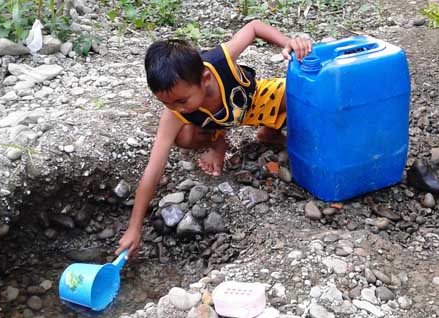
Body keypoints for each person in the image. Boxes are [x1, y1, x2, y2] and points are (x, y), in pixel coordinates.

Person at [116, 20, 312, 259]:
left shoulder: (220, 61)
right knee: (183, 135)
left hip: (252, 101)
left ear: (205, 78)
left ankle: (268, 133)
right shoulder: (175, 113)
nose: (174, 108)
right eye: (165, 102)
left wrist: (287, 42)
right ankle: (216, 142)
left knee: (299, 96)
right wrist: (134, 227)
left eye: (181, 100)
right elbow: (153, 170)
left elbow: (254, 27)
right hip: (215, 124)